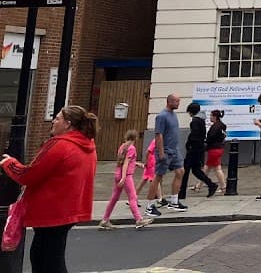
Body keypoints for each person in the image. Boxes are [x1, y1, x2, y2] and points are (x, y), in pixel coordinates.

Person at [0, 105, 98, 272]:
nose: (53, 121)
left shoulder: (60, 145)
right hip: (69, 211)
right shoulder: (87, 146)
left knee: (44, 259)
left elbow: (29, 175)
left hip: (52, 212)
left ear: (67, 124)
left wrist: (9, 163)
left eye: (58, 118)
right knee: (52, 257)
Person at [99, 130, 153, 230]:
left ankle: (105, 220)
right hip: (126, 176)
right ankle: (139, 220)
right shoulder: (132, 148)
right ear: (135, 138)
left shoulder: (122, 146)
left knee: (114, 198)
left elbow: (124, 161)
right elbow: (126, 163)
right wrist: (124, 177)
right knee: (132, 198)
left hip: (117, 174)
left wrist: (137, 164)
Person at [148, 93, 186, 216]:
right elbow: (159, 135)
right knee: (158, 176)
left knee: (180, 171)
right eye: (176, 102)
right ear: (169, 102)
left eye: (179, 101)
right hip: (165, 151)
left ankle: (174, 202)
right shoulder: (162, 116)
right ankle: (150, 206)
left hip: (174, 150)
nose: (178, 104)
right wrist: (161, 152)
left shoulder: (174, 115)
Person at [179, 102, 218, 199]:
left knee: (186, 170)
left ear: (191, 112)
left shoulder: (195, 121)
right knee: (196, 171)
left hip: (194, 150)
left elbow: (194, 135)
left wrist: (189, 144)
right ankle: (211, 184)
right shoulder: (201, 120)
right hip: (199, 149)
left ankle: (182, 192)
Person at [205, 109, 228, 190]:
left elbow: (210, 137)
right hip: (219, 148)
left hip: (213, 149)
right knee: (208, 168)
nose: (210, 117)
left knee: (216, 169)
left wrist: (206, 142)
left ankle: (223, 186)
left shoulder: (215, 127)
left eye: (211, 116)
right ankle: (198, 186)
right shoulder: (222, 125)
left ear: (215, 117)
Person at [136, 136, 157, 202]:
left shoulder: (158, 140)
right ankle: (159, 198)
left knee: (144, 180)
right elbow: (148, 151)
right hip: (151, 163)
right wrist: (146, 162)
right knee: (153, 180)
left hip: (152, 163)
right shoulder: (156, 141)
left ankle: (133, 197)